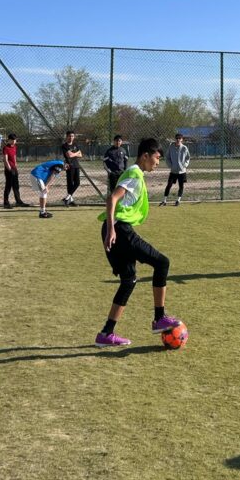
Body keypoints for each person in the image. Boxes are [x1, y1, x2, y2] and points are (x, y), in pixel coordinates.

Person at [95, 137, 183, 347]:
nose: (158, 163)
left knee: (129, 280)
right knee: (162, 263)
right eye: (157, 158)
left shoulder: (135, 174)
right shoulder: (134, 174)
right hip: (120, 230)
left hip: (116, 228)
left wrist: (110, 228)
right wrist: (112, 229)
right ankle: (159, 318)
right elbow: (112, 198)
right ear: (145, 156)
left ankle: (106, 334)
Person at [161, 132, 190, 206]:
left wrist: (185, 165)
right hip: (173, 171)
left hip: (182, 171)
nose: (178, 140)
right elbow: (167, 157)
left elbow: (187, 158)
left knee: (181, 186)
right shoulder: (171, 147)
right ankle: (164, 200)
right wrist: (170, 166)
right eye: (177, 138)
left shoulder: (184, 148)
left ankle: (178, 200)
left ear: (182, 139)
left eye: (179, 138)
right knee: (169, 185)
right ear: (175, 139)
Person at [2, 133, 29, 208]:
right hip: (9, 170)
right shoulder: (5, 148)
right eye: (12, 140)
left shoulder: (14, 147)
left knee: (16, 186)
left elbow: (14, 156)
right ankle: (6, 203)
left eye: (15, 140)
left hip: (14, 169)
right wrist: (9, 169)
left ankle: (18, 201)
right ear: (9, 140)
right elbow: (5, 160)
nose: (14, 141)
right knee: (8, 186)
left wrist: (15, 165)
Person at [61, 131, 82, 205]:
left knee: (77, 183)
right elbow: (69, 155)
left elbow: (81, 155)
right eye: (69, 136)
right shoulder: (64, 146)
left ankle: (67, 198)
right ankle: (70, 200)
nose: (71, 137)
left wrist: (73, 154)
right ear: (66, 137)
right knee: (70, 184)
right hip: (69, 166)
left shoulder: (75, 144)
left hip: (76, 165)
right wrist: (76, 153)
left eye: (72, 136)